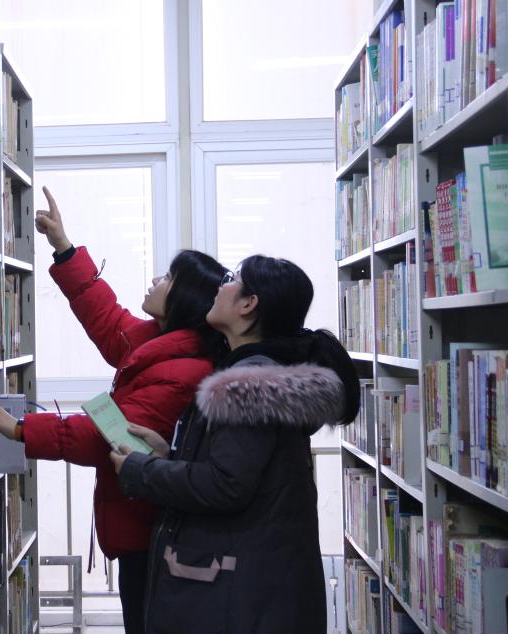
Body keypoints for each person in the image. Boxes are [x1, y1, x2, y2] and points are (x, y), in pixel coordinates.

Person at [0, 187, 229, 634]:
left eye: (169, 278)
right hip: (139, 522)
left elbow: (105, 437)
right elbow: (108, 320)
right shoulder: (162, 344)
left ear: (185, 300)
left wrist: (21, 429)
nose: (156, 280)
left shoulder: (184, 371)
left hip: (151, 533)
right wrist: (64, 248)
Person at [109, 254, 360, 634]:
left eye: (231, 278)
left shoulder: (247, 385)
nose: (220, 286)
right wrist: (168, 455)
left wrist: (141, 471)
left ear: (248, 304)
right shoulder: (260, 374)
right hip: (260, 583)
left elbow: (225, 485)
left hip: (243, 593)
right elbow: (239, 466)